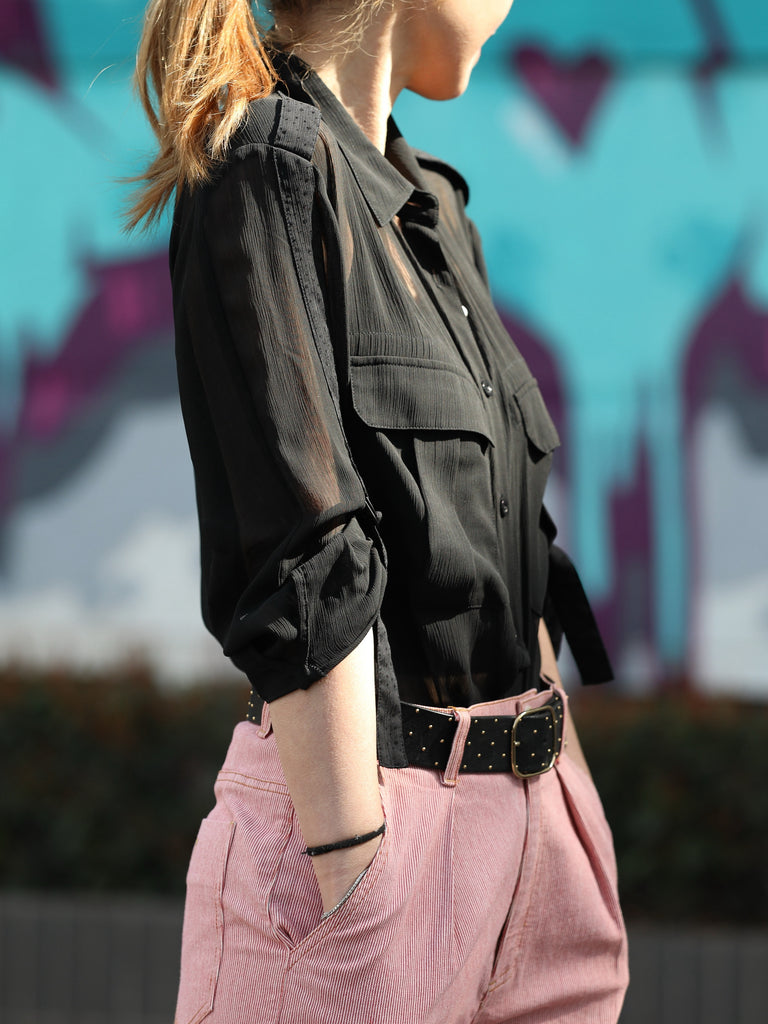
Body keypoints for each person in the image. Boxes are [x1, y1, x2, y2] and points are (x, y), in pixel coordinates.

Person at [129, 1, 629, 1021]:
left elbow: (514, 550)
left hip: (539, 857)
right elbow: (303, 555)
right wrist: (356, 879)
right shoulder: (264, 168)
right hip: (371, 850)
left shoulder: (436, 208)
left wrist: (573, 815)